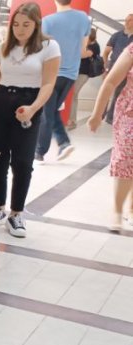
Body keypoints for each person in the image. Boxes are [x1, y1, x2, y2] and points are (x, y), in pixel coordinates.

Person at [0, 2, 60, 238]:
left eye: (26, 25)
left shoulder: (49, 47)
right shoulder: (2, 47)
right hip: (0, 102)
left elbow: (48, 83)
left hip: (29, 102)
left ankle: (16, 213)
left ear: (36, 25)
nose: (20, 30)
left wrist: (33, 108)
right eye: (16, 25)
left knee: (23, 162)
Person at [35, 0, 90, 161]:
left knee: (47, 113)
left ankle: (40, 152)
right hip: (71, 75)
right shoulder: (83, 18)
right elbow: (82, 50)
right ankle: (63, 143)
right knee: (51, 110)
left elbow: (39, 50)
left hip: (50, 73)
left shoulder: (47, 21)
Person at [88, 37, 133, 231]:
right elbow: (110, 82)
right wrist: (97, 114)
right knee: (125, 158)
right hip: (129, 113)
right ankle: (117, 210)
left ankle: (131, 208)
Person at [102, 13, 133, 124]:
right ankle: (100, 115)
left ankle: (110, 117)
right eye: (126, 20)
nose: (126, 22)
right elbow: (106, 52)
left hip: (127, 70)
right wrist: (105, 68)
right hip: (113, 67)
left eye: (130, 20)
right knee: (106, 90)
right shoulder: (116, 35)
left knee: (118, 93)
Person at [68, 28, 101, 129]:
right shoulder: (84, 45)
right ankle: (71, 119)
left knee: (74, 94)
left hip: (84, 73)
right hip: (75, 72)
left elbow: (83, 55)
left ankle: (72, 120)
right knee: (73, 95)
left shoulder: (94, 46)